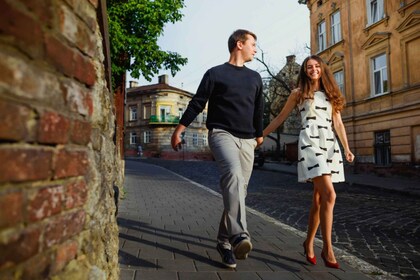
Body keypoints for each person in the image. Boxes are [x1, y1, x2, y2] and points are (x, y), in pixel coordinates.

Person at [171, 29, 264, 268]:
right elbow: (197, 102)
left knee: (239, 193)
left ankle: (224, 242)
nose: (256, 49)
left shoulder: (255, 78)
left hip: (248, 140)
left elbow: (258, 110)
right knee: (233, 176)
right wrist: (179, 129)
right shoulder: (215, 74)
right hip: (222, 134)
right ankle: (240, 235)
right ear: (239, 44)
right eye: (253, 44)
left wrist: (259, 135)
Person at [263, 55, 354, 269]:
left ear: (322, 69)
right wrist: (262, 135)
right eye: (308, 67)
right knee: (330, 195)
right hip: (310, 143)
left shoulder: (331, 94)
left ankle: (308, 242)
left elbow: (338, 123)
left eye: (316, 66)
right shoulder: (298, 93)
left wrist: (347, 148)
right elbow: (279, 118)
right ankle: (328, 248)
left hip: (329, 144)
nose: (313, 69)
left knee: (318, 199)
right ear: (305, 71)